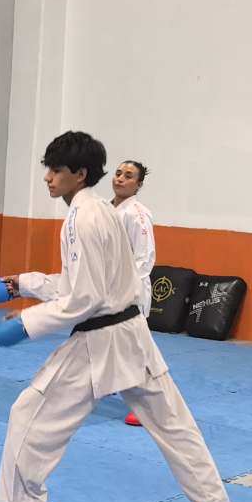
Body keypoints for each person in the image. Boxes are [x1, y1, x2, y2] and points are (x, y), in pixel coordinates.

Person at [0, 131, 235, 502]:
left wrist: (26, 324)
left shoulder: (83, 218)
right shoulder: (102, 211)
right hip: (132, 334)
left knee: (29, 414)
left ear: (79, 174)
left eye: (56, 169)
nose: (47, 177)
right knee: (174, 424)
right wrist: (23, 284)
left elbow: (84, 297)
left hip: (99, 341)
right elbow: (83, 282)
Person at [111, 160, 155, 427]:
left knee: (134, 348)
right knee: (103, 341)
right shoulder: (108, 210)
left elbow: (144, 257)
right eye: (118, 173)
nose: (120, 178)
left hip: (130, 291)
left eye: (128, 176)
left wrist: (127, 291)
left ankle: (146, 404)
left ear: (138, 185)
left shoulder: (137, 213)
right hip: (107, 290)